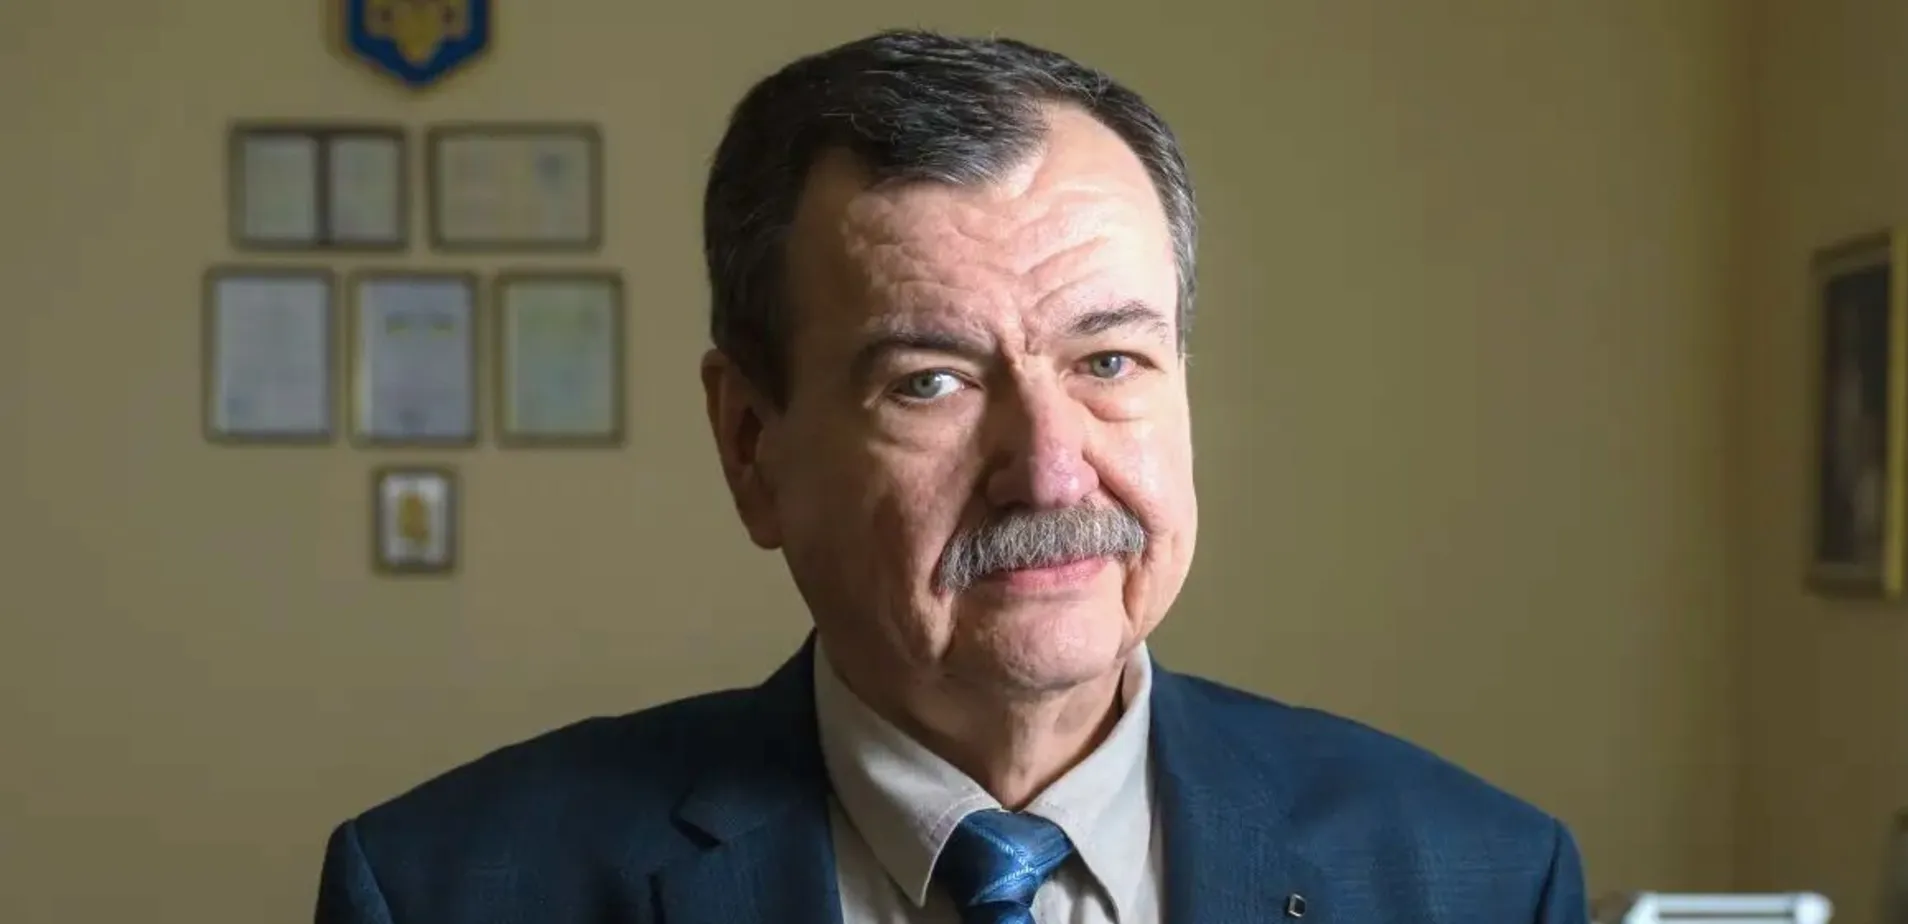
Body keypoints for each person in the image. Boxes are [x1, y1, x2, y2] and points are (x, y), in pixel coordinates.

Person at [313, 29, 1587, 924]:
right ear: (751, 445)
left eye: (1110, 360)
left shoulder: (1481, 879)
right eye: (931, 381)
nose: (1050, 473)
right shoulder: (445, 889)